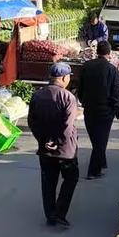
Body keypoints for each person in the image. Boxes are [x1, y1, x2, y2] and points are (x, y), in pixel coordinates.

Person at [28, 63, 79, 227]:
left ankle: (50, 215)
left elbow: (32, 122)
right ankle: (60, 212)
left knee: (48, 182)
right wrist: (56, 142)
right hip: (65, 150)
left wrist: (44, 140)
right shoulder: (68, 97)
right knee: (70, 178)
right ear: (64, 78)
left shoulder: (37, 95)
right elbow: (67, 126)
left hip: (44, 148)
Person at [78, 41, 119, 179]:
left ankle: (101, 162)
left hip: (89, 108)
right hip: (105, 111)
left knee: (96, 139)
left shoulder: (86, 66)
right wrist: (117, 108)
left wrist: (83, 101)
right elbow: (115, 92)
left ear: (97, 52)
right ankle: (93, 171)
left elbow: (80, 87)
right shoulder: (112, 70)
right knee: (100, 140)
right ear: (109, 53)